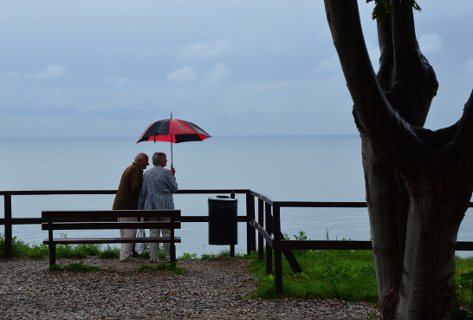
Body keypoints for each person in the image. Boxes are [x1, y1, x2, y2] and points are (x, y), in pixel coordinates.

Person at [138, 152, 178, 263]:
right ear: (161, 160)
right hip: (166, 206)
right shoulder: (166, 173)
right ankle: (169, 257)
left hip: (151, 206)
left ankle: (153, 258)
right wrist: (173, 175)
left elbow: (143, 191)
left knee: (154, 232)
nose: (166, 161)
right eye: (165, 159)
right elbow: (174, 188)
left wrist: (141, 207)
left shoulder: (147, 173)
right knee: (167, 232)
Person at [112, 152, 149, 262]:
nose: (147, 164)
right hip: (128, 207)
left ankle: (125, 254)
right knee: (129, 232)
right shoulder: (136, 171)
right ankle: (125, 256)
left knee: (124, 232)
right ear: (140, 160)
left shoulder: (129, 168)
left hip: (120, 205)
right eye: (146, 161)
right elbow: (135, 189)